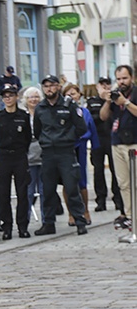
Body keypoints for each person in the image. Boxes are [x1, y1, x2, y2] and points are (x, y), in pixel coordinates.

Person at [33, 75, 88, 235]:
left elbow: (81, 127)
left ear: (58, 87)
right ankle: (49, 223)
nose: (49, 89)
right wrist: (46, 141)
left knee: (72, 188)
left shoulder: (68, 104)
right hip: (48, 153)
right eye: (46, 86)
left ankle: (80, 221)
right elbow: (37, 131)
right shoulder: (40, 108)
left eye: (52, 86)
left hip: (66, 152)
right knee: (48, 190)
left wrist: (68, 138)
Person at [0, 86, 32, 238]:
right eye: (5, 96)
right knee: (4, 194)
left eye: (10, 95)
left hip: (19, 156)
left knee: (22, 193)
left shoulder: (23, 116)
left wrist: (21, 151)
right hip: (3, 157)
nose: (8, 99)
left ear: (16, 97)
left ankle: (22, 226)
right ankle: (7, 227)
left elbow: (27, 137)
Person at [99, 65, 137, 230]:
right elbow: (103, 116)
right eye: (119, 79)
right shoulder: (115, 95)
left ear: (132, 78)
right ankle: (129, 215)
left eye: (124, 78)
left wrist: (126, 102)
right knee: (123, 183)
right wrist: (108, 101)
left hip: (134, 141)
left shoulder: (134, 93)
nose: (121, 82)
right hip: (117, 142)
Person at [62, 83, 98, 226]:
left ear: (79, 95)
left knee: (82, 180)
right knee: (67, 181)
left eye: (74, 94)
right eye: (68, 94)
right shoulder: (62, 112)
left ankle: (85, 211)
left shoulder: (84, 112)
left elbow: (91, 129)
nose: (71, 96)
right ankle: (71, 213)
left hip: (81, 146)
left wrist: (95, 147)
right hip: (66, 147)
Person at [86, 77, 120, 213]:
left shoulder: (116, 100)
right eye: (103, 85)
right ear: (98, 86)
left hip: (112, 138)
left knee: (115, 170)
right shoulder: (92, 102)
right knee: (98, 170)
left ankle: (118, 199)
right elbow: (93, 119)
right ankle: (101, 200)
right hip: (97, 139)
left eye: (108, 85)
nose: (106, 88)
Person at [23, 86, 44, 224]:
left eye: (36, 96)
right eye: (31, 97)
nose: (34, 99)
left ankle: (46, 219)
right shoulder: (23, 115)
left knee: (44, 190)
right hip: (27, 155)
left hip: (43, 154)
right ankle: (25, 220)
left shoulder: (43, 113)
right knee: (28, 191)